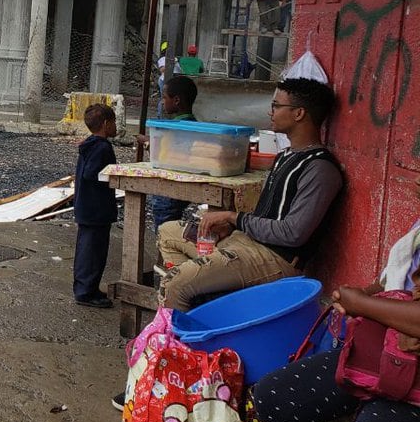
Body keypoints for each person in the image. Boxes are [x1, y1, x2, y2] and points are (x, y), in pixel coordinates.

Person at [253, 174, 420, 422]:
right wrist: (365, 294)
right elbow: (398, 281)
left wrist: (362, 304)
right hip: (389, 353)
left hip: (414, 386)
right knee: (275, 397)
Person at [157, 77, 342, 311]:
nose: (270, 112)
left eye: (276, 106)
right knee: (167, 232)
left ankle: (184, 341)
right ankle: (203, 308)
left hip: (273, 258)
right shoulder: (285, 156)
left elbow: (293, 234)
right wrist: (234, 227)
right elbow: (267, 214)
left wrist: (234, 218)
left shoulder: (319, 168)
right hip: (245, 243)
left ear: (299, 114)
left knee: (175, 283)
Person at [73, 103, 118, 309]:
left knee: (87, 249)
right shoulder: (102, 147)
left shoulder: (89, 144)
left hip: (86, 206)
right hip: (96, 209)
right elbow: (92, 174)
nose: (116, 126)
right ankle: (86, 292)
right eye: (114, 122)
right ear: (106, 124)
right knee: (93, 252)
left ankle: (86, 288)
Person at [146, 75, 199, 231]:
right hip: (182, 187)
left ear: (176, 100)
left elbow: (165, 153)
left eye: (164, 98)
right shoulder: (194, 123)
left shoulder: (175, 127)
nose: (163, 102)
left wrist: (149, 142)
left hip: (168, 188)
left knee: (164, 232)